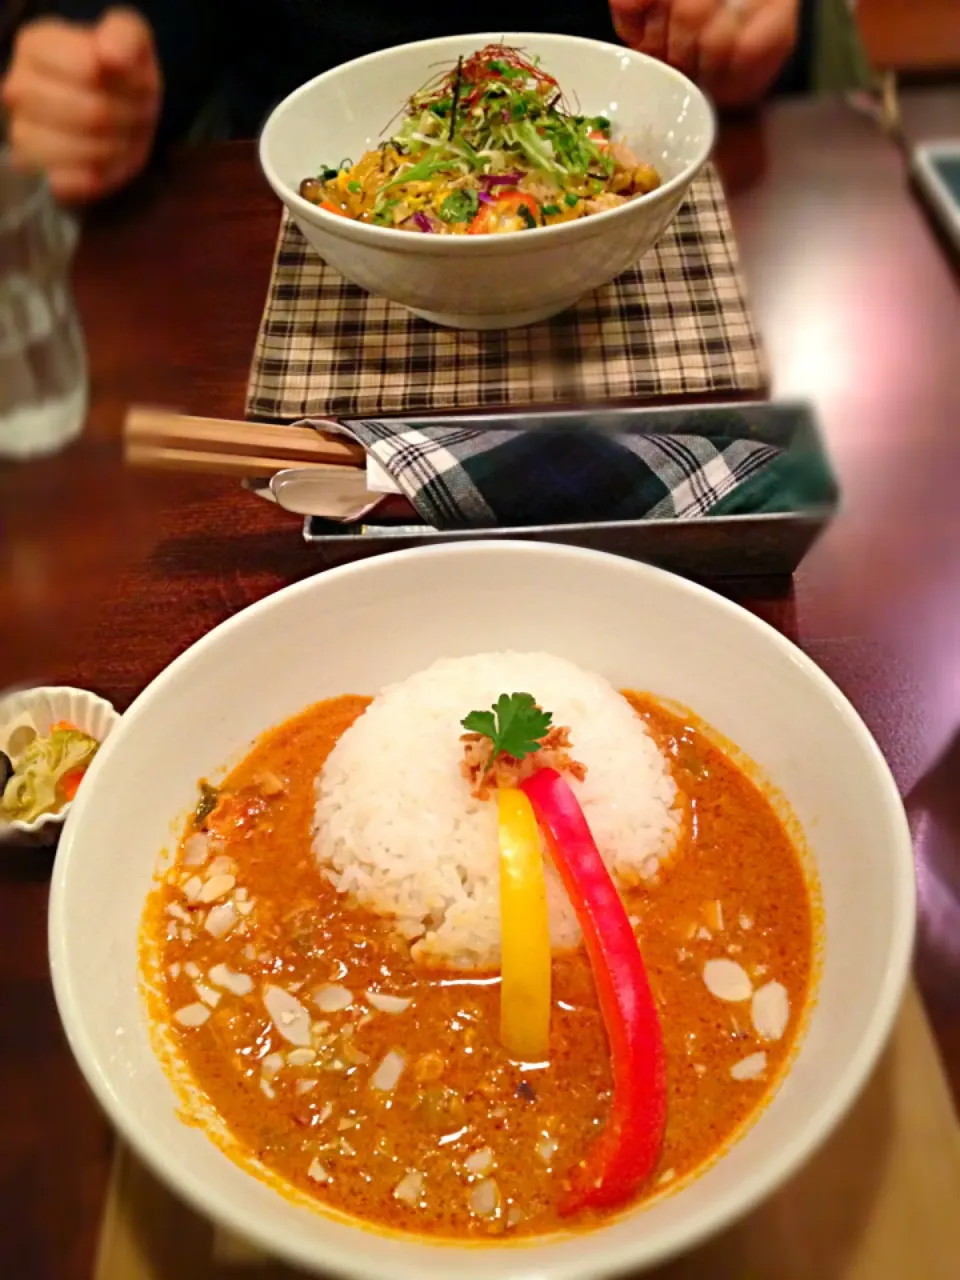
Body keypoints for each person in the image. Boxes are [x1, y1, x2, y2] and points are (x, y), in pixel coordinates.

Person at [0, 1, 806, 205]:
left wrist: (738, 33)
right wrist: (86, 83)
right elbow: (127, 29)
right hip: (290, 257)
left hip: (649, 230)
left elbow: (769, 39)